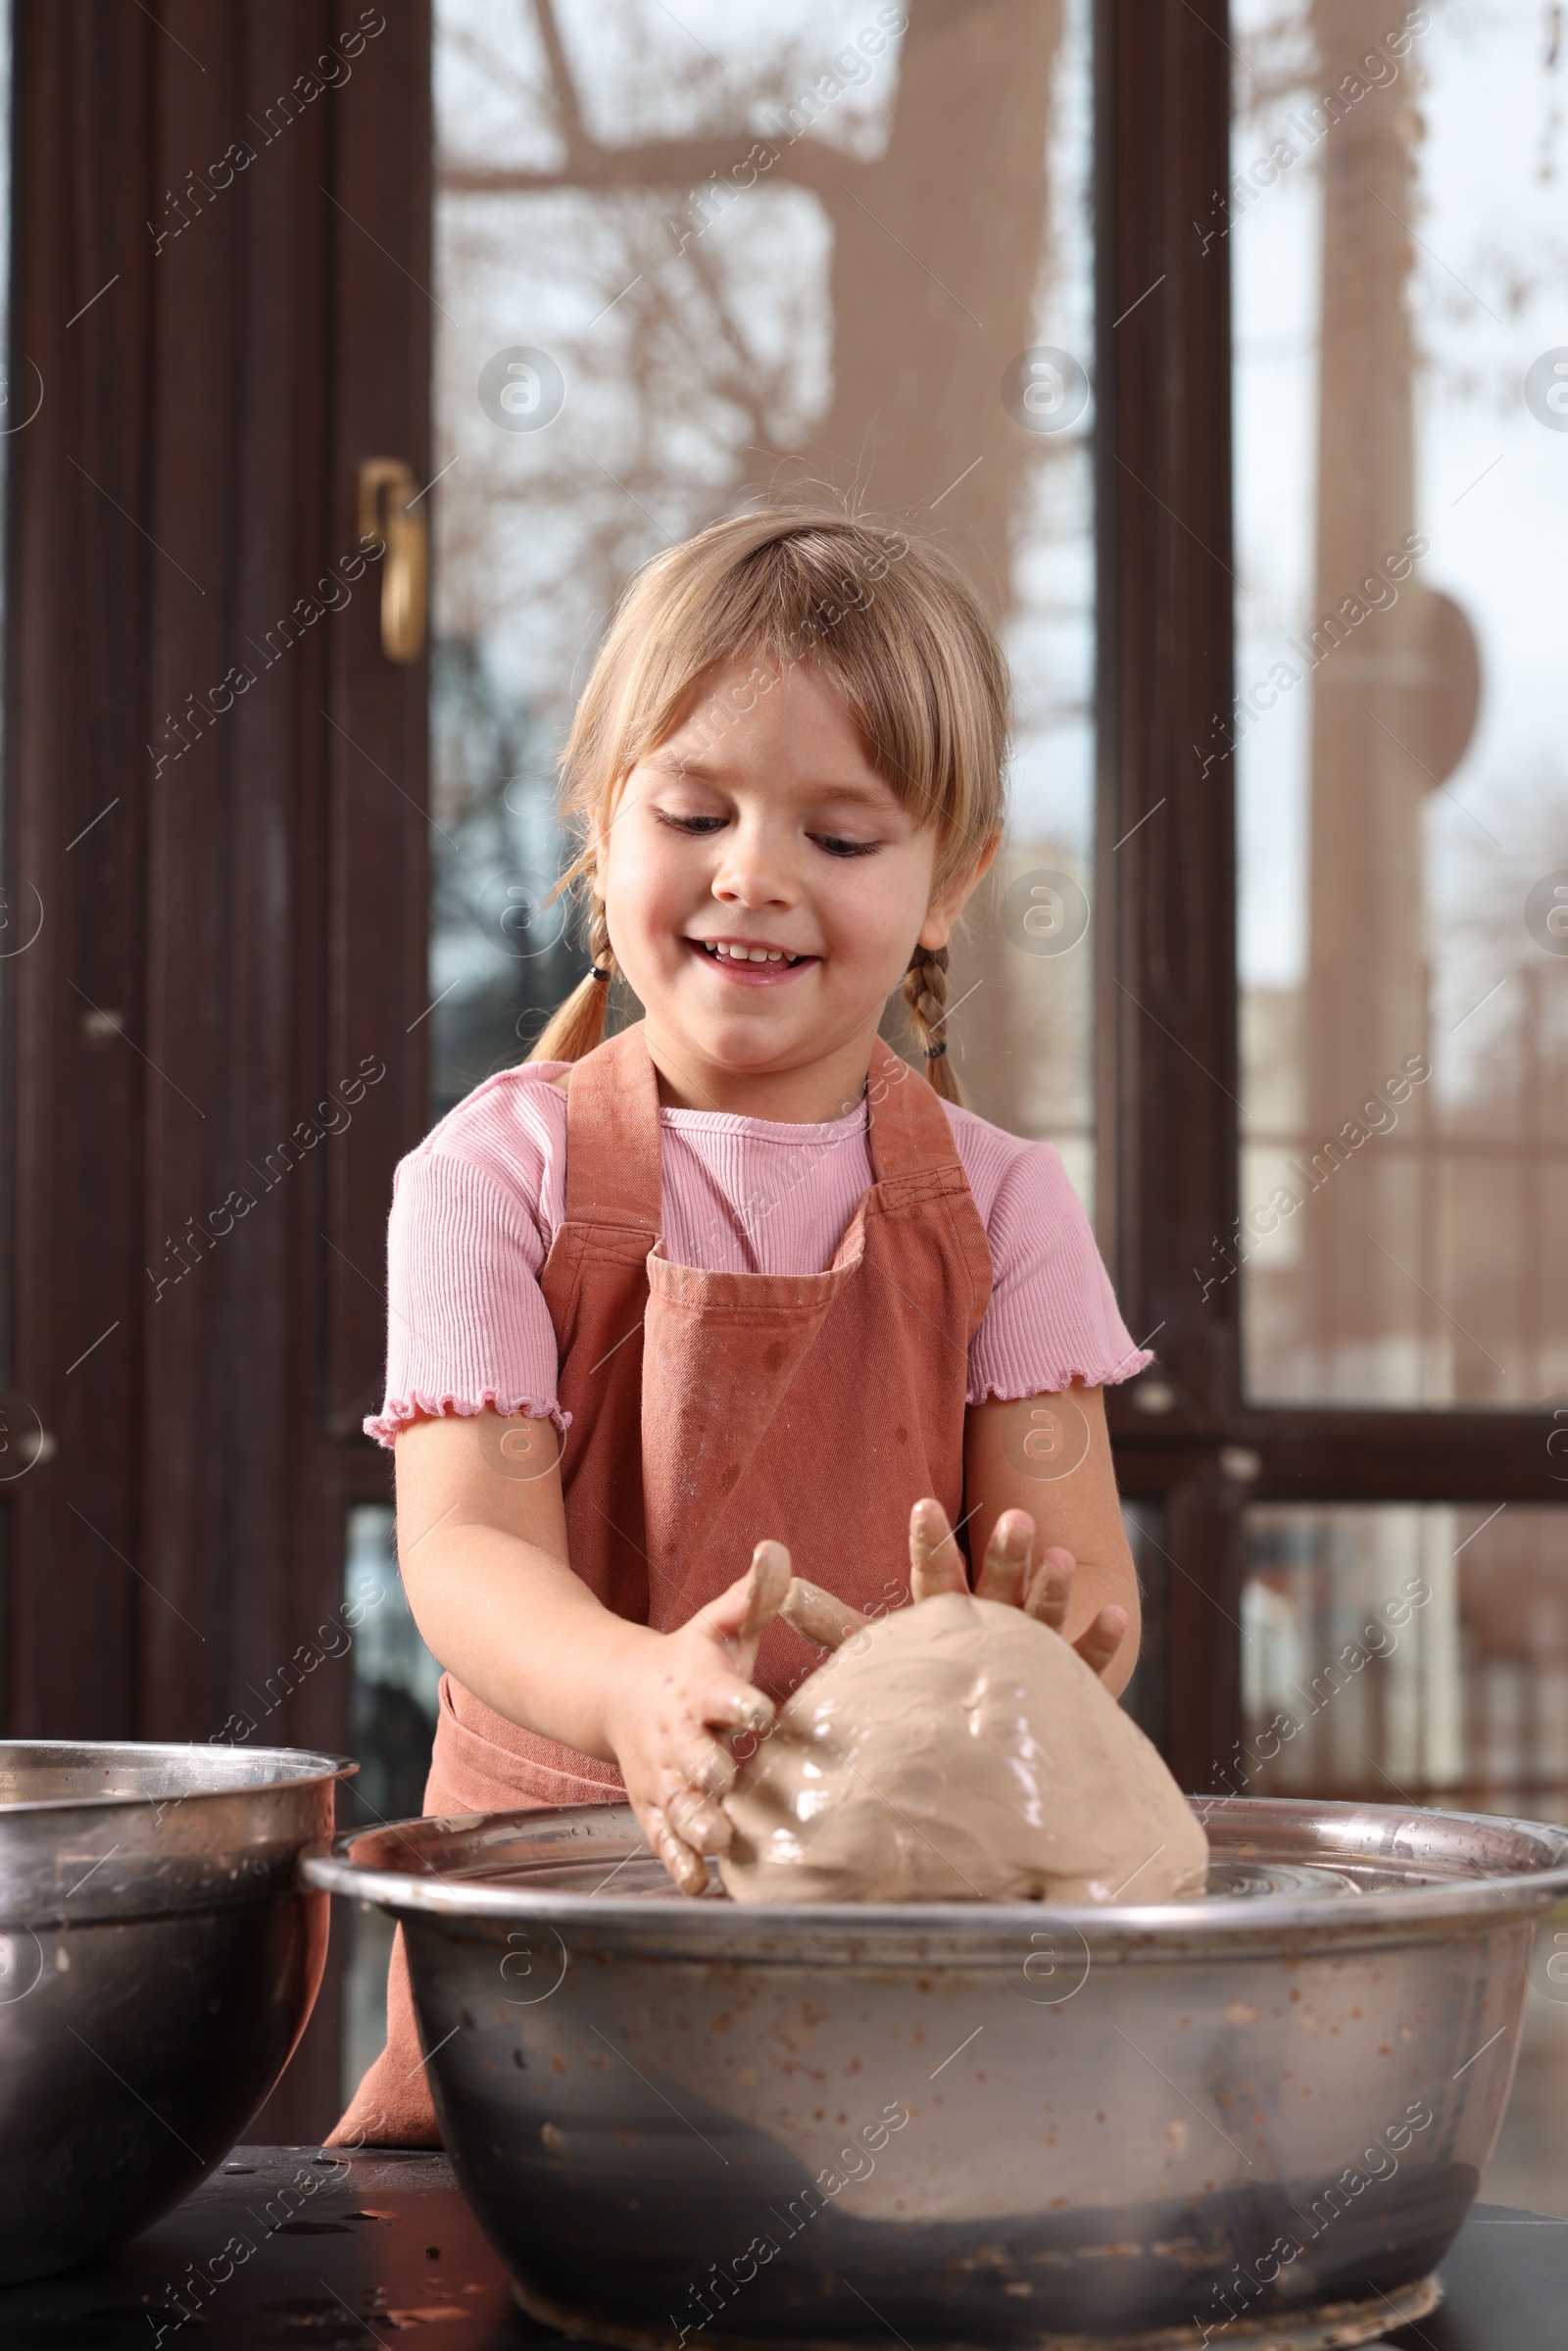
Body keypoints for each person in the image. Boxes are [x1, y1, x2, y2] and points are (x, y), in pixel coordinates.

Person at [330, 510, 1151, 2146]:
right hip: (556, 1955)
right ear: (598, 824)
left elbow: (1091, 1600)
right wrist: (635, 1693)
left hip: (899, 1980)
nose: (754, 874)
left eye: (843, 839)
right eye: (694, 811)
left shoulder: (1005, 1211)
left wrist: (1026, 1648)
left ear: (951, 884)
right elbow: (469, 1558)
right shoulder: (494, 1176)